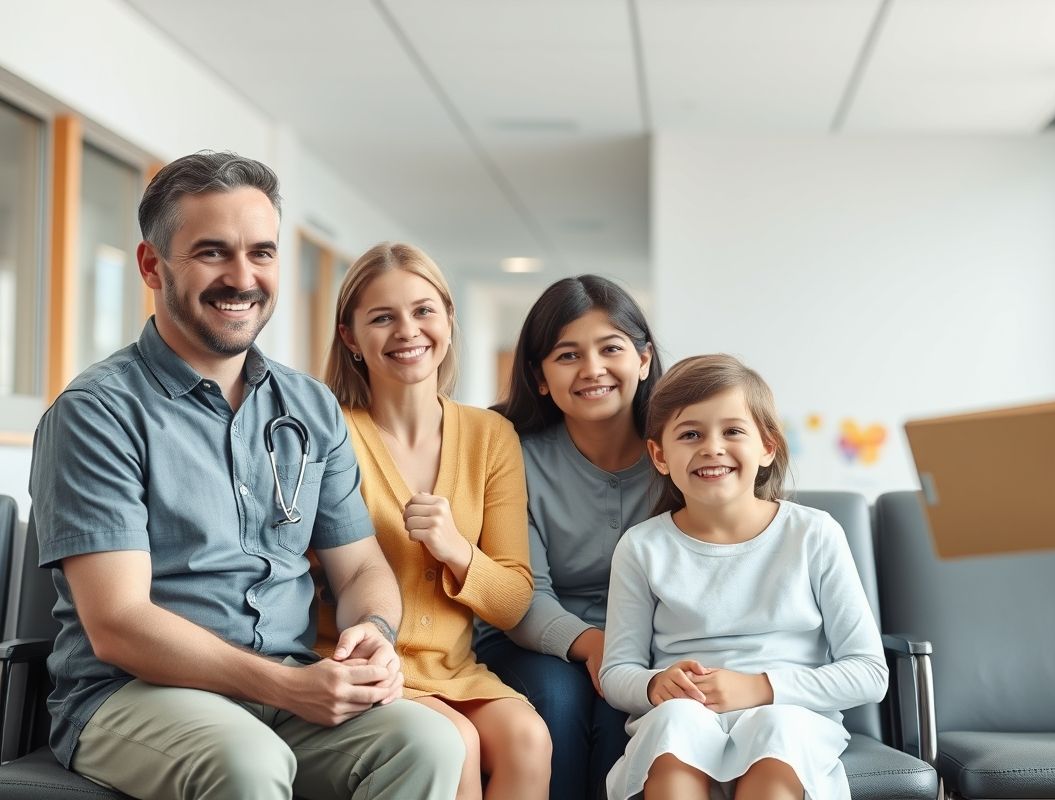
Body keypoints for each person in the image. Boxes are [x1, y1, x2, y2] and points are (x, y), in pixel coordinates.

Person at [27, 152, 464, 800]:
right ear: (152, 266)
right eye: (213, 252)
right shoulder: (98, 413)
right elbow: (116, 621)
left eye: (261, 253)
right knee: (246, 762)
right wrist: (287, 687)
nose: (243, 277)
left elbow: (363, 569)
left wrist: (372, 634)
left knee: (426, 741)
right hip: (134, 696)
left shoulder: (309, 408)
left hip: (280, 685)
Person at [600, 354, 889, 800]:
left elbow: (869, 673)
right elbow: (618, 672)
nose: (712, 447)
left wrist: (759, 688)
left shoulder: (814, 533)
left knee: (776, 726)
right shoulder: (642, 547)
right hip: (683, 718)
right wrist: (655, 683)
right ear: (659, 455)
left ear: (767, 447)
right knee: (677, 723)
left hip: (786, 716)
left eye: (732, 431)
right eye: (690, 434)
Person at [319, 242, 550, 800]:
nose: (407, 330)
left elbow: (515, 599)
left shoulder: (491, 436)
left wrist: (457, 551)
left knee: (528, 737)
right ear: (350, 336)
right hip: (361, 668)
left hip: (456, 672)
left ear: (448, 318)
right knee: (459, 744)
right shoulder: (329, 430)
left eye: (424, 310)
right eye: (382, 317)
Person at [477, 275, 663, 800]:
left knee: (625, 704)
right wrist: (594, 645)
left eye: (611, 348)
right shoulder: (512, 453)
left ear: (643, 360)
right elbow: (522, 592)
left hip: (647, 641)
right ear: (539, 376)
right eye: (567, 355)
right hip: (529, 638)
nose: (592, 370)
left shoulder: (679, 451)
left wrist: (626, 654)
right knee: (558, 698)